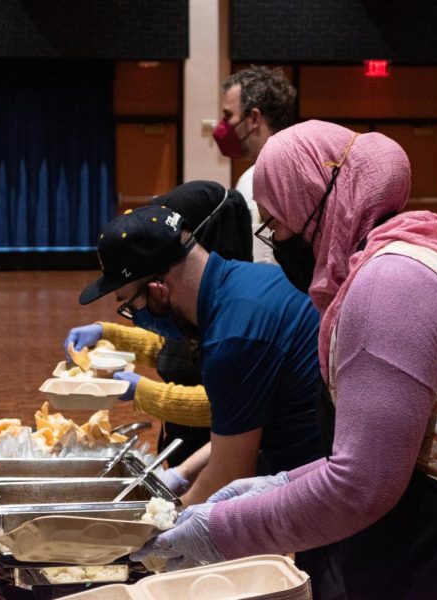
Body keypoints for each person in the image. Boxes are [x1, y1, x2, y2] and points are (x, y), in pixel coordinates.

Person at [133, 121, 437, 599]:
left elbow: (360, 486)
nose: (275, 240)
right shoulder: (394, 263)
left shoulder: (388, 286)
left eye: (277, 223)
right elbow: (377, 452)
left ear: (313, 202)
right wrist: (278, 484)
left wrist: (224, 528)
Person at [77, 199, 324, 507]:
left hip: (334, 499)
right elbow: (240, 426)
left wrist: (165, 526)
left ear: (158, 289)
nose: (136, 316)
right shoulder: (245, 283)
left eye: (130, 304)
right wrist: (181, 473)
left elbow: (228, 476)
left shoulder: (232, 337)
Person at [64, 181, 253, 469]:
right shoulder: (198, 302)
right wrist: (108, 334)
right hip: (185, 445)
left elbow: (223, 404)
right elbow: (173, 349)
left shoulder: (234, 310)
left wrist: (145, 393)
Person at [213, 66, 297, 264]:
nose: (224, 125)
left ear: (254, 119)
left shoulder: (257, 178)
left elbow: (260, 260)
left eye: (228, 115)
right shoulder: (301, 165)